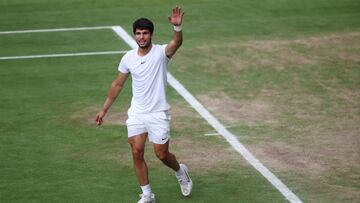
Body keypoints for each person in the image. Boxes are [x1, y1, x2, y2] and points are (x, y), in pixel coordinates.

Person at [95, 6, 192, 203]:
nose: (141, 37)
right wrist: (104, 109)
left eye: (145, 33)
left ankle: (180, 171)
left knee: (161, 154)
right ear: (134, 35)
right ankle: (147, 194)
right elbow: (117, 84)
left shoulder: (161, 53)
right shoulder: (128, 58)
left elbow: (176, 43)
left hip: (158, 113)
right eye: (138, 33)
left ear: (151, 34)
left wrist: (178, 27)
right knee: (137, 151)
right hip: (137, 113)